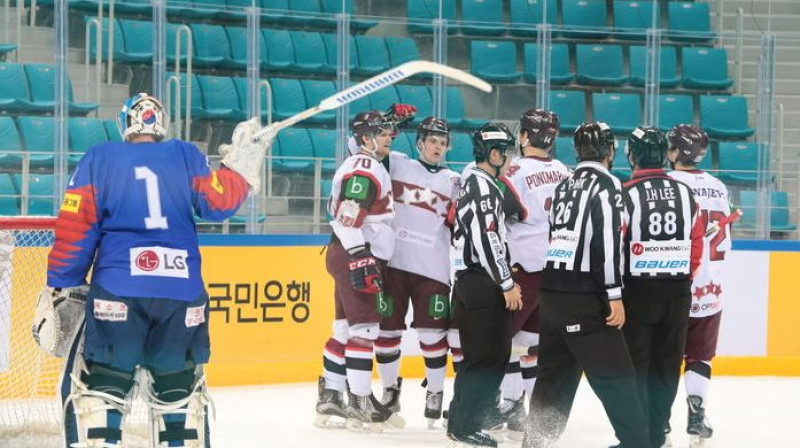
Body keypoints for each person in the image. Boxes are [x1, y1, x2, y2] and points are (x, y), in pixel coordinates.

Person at [32, 92, 271, 447]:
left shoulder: (100, 158)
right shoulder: (186, 155)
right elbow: (219, 203)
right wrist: (240, 166)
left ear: (125, 124)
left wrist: (62, 284)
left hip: (118, 293)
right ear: (161, 124)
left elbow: (75, 228)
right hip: (182, 298)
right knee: (177, 390)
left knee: (105, 389)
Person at [523, 122, 649, 448]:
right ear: (610, 151)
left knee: (553, 376)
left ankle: (535, 443)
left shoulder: (565, 184)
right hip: (584, 295)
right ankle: (637, 443)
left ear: (578, 151)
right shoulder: (607, 184)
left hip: (551, 292)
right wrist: (615, 295)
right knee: (617, 375)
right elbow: (607, 243)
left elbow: (554, 235)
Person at [486, 109, 571, 438]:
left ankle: (505, 403)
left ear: (524, 136)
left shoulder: (515, 171)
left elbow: (496, 215)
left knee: (500, 341)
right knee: (531, 343)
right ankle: (528, 412)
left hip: (523, 271)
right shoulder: (565, 172)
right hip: (557, 273)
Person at [373, 115, 461, 428]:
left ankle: (435, 392)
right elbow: (365, 146)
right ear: (420, 143)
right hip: (394, 265)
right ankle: (389, 391)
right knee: (386, 333)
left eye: (442, 142)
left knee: (432, 335)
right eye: (432, 141)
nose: (437, 147)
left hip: (433, 270)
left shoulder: (456, 181)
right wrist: (388, 120)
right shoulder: (398, 164)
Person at [619, 126, 704, 448]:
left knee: (636, 365)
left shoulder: (626, 193)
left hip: (637, 292)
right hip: (677, 290)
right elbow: (697, 244)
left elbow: (616, 244)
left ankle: (639, 435)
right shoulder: (685, 193)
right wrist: (684, 278)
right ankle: (659, 432)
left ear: (634, 155)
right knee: (667, 364)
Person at [315, 110, 398, 432]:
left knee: (344, 330)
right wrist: (361, 255)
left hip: (345, 250)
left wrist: (388, 119)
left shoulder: (362, 160)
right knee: (364, 330)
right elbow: (348, 216)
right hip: (356, 251)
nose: (390, 136)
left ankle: (332, 395)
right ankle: (360, 400)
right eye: (383, 132)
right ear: (366, 139)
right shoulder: (364, 168)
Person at [448, 123, 523, 448]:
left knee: (478, 357)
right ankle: (466, 425)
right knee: (490, 357)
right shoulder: (484, 187)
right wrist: (506, 282)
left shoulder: (476, 184)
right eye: (506, 154)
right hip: (482, 282)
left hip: (471, 281)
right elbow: (487, 237)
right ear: (493, 154)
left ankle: (459, 421)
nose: (509, 161)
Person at [666, 124, 731, 445]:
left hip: (675, 285)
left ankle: (660, 420)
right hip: (712, 288)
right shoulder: (718, 186)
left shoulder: (669, 183)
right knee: (699, 357)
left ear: (678, 151)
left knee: (663, 355)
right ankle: (696, 413)